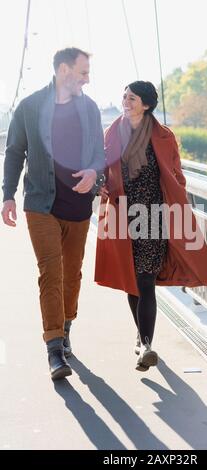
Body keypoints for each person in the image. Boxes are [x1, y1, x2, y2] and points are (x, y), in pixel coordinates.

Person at [94, 81, 207, 372]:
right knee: (131, 281)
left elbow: (176, 173)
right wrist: (100, 186)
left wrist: (176, 201)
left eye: (132, 98)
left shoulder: (163, 136)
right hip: (121, 215)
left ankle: (147, 345)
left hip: (153, 217)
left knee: (146, 280)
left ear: (146, 105)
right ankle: (141, 338)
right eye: (124, 96)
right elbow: (102, 167)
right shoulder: (112, 133)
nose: (126, 101)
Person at [1, 47, 105, 381]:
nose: (87, 79)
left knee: (71, 274)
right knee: (51, 271)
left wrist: (93, 173)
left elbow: (99, 154)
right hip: (40, 204)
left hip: (78, 208)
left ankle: (65, 327)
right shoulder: (30, 107)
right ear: (64, 70)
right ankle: (54, 350)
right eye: (83, 72)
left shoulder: (89, 108)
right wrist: (8, 196)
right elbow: (15, 151)